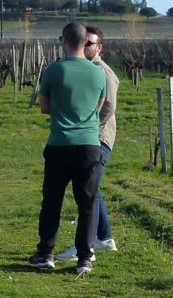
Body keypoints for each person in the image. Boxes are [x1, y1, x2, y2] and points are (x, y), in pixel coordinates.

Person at [29, 22, 107, 276]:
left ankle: (46, 253)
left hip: (60, 142)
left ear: (63, 40)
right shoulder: (98, 73)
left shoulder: (53, 71)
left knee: (52, 200)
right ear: (86, 42)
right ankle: (84, 257)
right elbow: (100, 104)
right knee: (87, 203)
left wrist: (64, 110)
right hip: (89, 145)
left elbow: (44, 107)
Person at [57, 24, 117, 260]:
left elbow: (110, 106)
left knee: (86, 191)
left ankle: (86, 246)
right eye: (83, 42)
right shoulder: (84, 69)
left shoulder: (102, 71)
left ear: (98, 47)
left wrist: (91, 129)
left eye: (89, 44)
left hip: (97, 139)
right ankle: (105, 238)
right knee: (90, 187)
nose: (85, 46)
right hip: (88, 137)